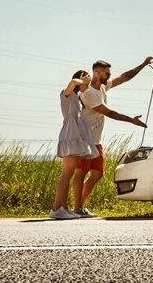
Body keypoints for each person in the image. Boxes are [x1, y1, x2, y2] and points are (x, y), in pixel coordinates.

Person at [73, 57, 153, 217]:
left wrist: (143, 64)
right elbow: (109, 113)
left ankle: (79, 207)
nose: (109, 76)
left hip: (95, 139)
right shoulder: (89, 93)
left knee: (97, 174)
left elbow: (125, 77)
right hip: (84, 139)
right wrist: (132, 120)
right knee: (81, 173)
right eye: (106, 73)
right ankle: (77, 208)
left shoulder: (102, 87)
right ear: (96, 72)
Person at [50, 70, 100, 220]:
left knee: (68, 174)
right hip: (69, 138)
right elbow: (72, 83)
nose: (87, 86)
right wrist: (81, 81)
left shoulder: (76, 98)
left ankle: (63, 207)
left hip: (74, 139)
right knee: (66, 174)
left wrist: (83, 82)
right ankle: (57, 209)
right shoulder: (67, 94)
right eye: (87, 83)